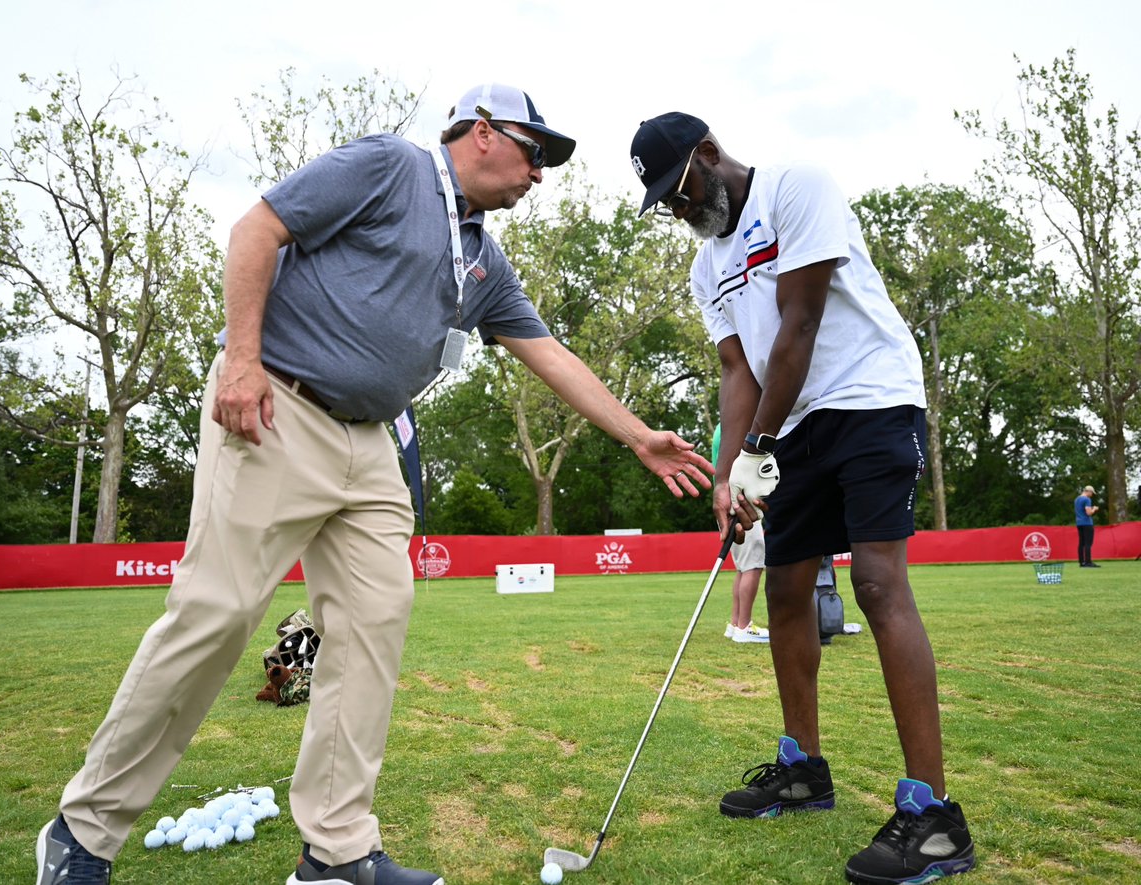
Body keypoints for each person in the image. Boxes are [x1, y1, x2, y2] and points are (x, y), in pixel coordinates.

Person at [35, 84, 714, 885]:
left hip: (369, 447)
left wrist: (638, 436)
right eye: (537, 153)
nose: (542, 175)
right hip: (276, 406)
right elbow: (257, 229)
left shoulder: (483, 259)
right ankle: (82, 832)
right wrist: (244, 362)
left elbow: (550, 352)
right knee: (214, 617)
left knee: (371, 629)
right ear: (484, 133)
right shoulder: (391, 165)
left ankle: (334, 849)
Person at [629, 113, 975, 884]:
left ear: (709, 155)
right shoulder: (703, 267)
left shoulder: (797, 188)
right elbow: (736, 371)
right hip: (790, 426)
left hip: (870, 400)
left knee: (877, 582)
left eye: (681, 191)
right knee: (786, 587)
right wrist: (728, 473)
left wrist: (756, 448)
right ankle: (802, 769)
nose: (681, 211)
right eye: (666, 204)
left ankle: (934, 815)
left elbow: (801, 322)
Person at [712, 422, 769, 643]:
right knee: (754, 565)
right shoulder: (738, 427)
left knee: (743, 567)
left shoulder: (722, 427)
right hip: (741, 505)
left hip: (728, 503)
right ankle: (744, 626)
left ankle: (736, 624)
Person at [1075, 485, 1100, 567]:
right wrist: (1094, 509)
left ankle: (1081, 562)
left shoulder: (1077, 499)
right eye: (1092, 493)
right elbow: (1088, 513)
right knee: (1088, 543)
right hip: (1087, 523)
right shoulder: (1087, 499)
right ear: (1088, 491)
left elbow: (1081, 510)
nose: (1092, 495)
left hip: (1079, 523)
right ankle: (1088, 562)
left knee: (1081, 543)